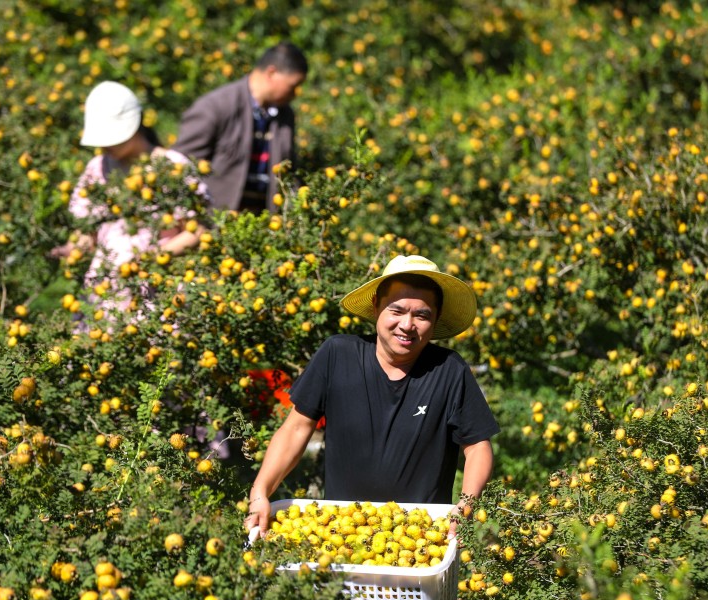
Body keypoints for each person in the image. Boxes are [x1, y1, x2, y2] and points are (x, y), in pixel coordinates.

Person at [244, 255, 499, 537]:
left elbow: (477, 447)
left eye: (422, 315)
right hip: (338, 533)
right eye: (397, 310)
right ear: (377, 305)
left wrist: (465, 506)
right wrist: (260, 490)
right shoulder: (337, 354)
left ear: (436, 319)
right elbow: (296, 429)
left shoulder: (449, 370)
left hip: (421, 540)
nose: (407, 324)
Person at [53, 81, 209, 314]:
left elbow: (197, 231)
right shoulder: (97, 169)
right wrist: (72, 249)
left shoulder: (172, 168)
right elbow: (90, 233)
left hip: (159, 295)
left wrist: (151, 259)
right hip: (105, 296)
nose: (106, 145)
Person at [171, 42, 307, 214]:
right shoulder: (216, 106)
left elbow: (289, 171)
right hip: (213, 225)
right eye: (293, 86)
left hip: (264, 226)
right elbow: (180, 163)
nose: (295, 94)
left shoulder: (285, 115)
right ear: (272, 73)